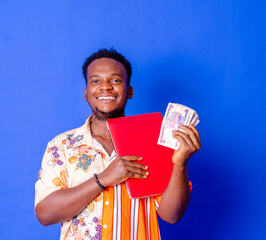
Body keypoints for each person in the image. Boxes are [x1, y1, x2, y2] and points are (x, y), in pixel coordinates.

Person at [34, 48, 201, 240]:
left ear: (129, 91)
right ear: (86, 93)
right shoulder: (61, 146)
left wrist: (180, 164)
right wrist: (103, 179)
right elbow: (45, 214)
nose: (105, 87)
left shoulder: (153, 141)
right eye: (95, 81)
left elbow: (171, 215)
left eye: (115, 80)